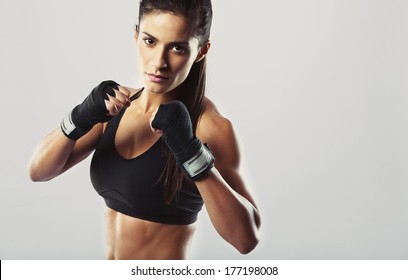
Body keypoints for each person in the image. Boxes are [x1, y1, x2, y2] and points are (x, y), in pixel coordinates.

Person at [28, 0, 261, 260]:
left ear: (201, 51)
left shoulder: (209, 126)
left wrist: (191, 154)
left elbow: (246, 238)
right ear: (136, 35)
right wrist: (79, 117)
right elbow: (38, 172)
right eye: (150, 41)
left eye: (177, 48)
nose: (159, 62)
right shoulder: (115, 108)